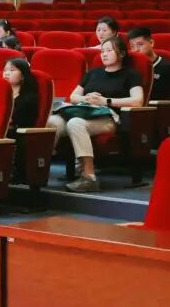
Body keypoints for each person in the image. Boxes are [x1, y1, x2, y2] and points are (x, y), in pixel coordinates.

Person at [46, 37, 144, 193]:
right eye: (102, 51)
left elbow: (138, 101)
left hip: (108, 117)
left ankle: (89, 177)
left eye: (109, 50)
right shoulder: (93, 73)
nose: (104, 54)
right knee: (52, 121)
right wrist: (86, 98)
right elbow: (74, 97)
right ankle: (38, 171)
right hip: (84, 111)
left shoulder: (130, 74)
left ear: (122, 53)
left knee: (75, 123)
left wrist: (106, 101)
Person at [3, 58, 39, 134]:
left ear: (23, 76)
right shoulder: (0, 95)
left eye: (12, 70)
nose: (6, 73)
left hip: (14, 134)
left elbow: (21, 122)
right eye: (5, 70)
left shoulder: (29, 99)